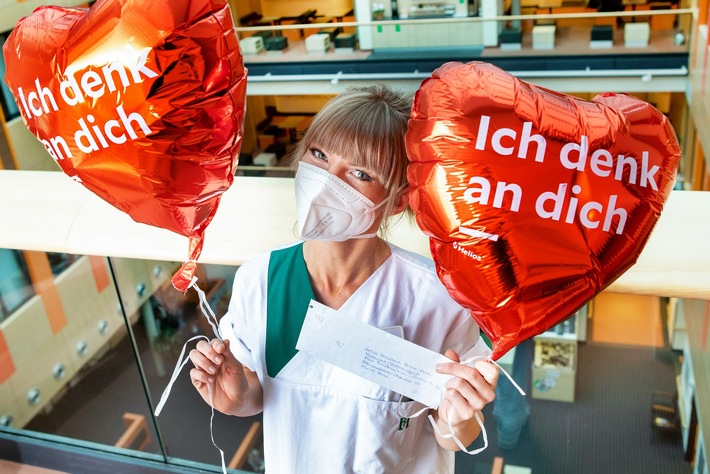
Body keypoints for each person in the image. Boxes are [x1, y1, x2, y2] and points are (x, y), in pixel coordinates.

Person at [188, 84, 499, 473]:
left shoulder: (435, 298)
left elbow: (456, 436)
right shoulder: (260, 279)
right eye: (318, 154)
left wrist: (460, 416)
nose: (325, 181)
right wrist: (234, 400)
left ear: (397, 200)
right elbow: (257, 395)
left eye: (359, 172)